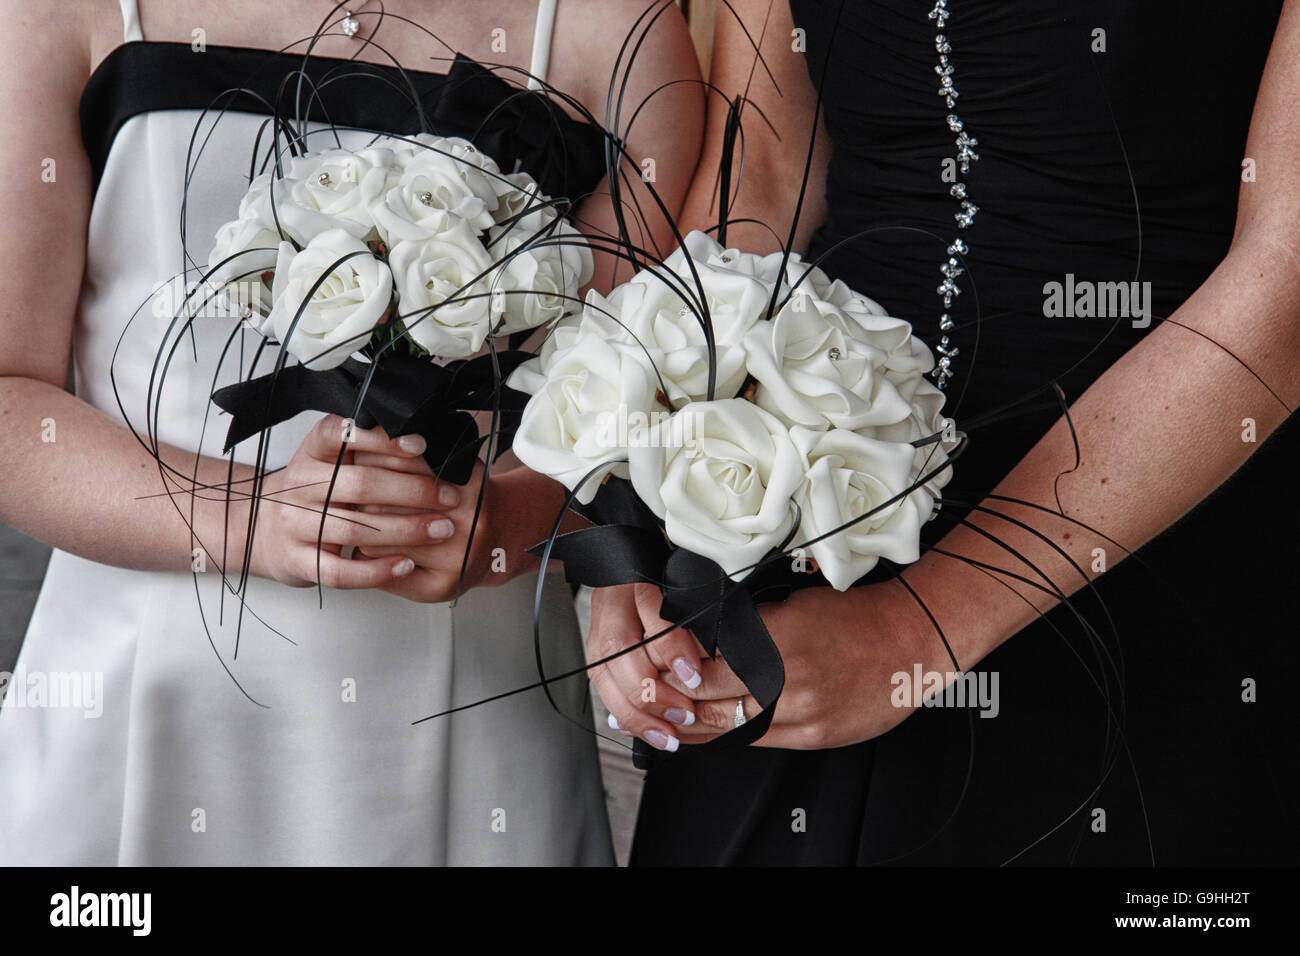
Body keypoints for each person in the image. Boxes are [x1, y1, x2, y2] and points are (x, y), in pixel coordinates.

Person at [589, 0, 1299, 864]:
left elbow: (1284, 286)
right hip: (797, 526)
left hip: (1156, 507)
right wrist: (647, 509)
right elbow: (765, 171)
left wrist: (913, 634)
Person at [0, 0, 700, 865]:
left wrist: (500, 520)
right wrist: (256, 515)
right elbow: (8, 400)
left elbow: (641, 407)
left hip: (474, 693)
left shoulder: (614, 23)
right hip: (142, 683)